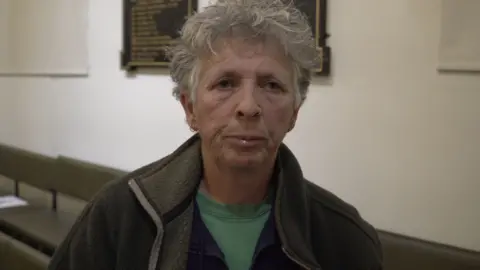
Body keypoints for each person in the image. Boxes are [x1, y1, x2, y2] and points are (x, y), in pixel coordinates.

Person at [48, 0, 383, 269]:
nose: (249, 107)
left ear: (294, 112)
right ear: (190, 108)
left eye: (272, 85)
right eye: (225, 83)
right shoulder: (120, 217)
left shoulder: (343, 237)